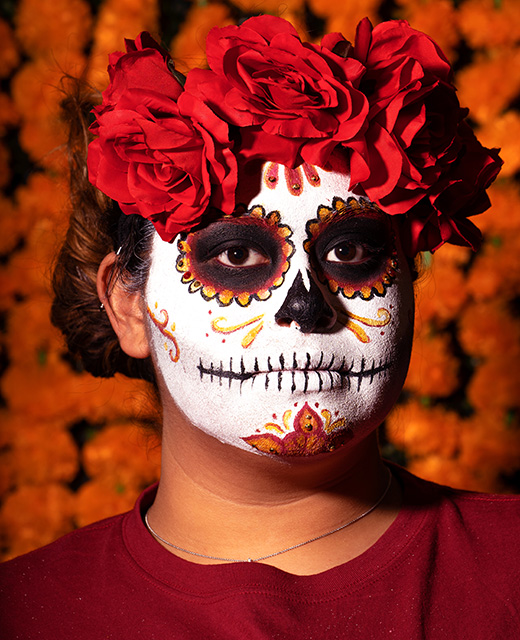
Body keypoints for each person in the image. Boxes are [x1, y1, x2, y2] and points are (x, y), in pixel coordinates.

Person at [1, 15, 518, 639]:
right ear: (129, 306)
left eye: (351, 253)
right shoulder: (24, 612)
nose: (306, 306)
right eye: (237, 256)